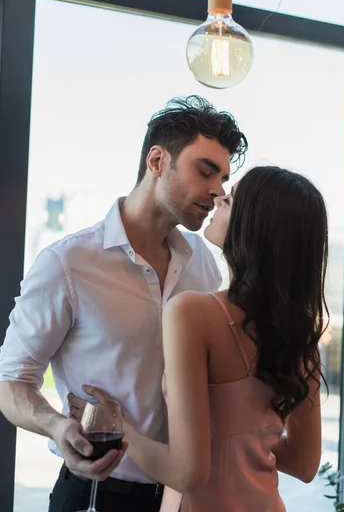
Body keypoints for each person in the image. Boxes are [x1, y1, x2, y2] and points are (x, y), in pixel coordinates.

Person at [0, 95, 248, 512]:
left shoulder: (203, 262)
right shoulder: (68, 263)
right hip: (94, 494)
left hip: (183, 498)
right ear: (157, 161)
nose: (217, 190)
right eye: (206, 170)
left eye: (223, 177)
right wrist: (57, 426)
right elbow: (11, 382)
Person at [73, 165, 329, 512]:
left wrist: (118, 426)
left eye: (232, 198)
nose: (220, 196)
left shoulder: (193, 313)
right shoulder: (300, 335)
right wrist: (246, 441)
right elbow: (304, 464)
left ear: (255, 227)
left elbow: (187, 474)